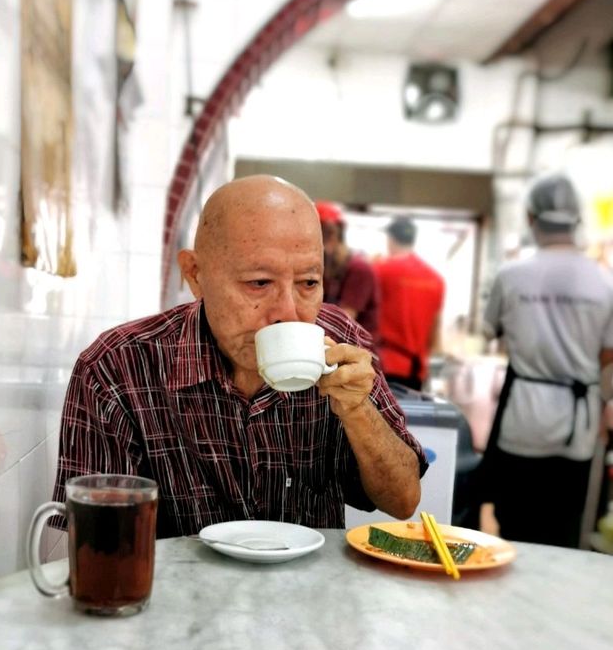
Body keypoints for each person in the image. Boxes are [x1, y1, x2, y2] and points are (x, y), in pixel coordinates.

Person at [52, 175, 427, 537]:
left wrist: (358, 410)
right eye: (259, 283)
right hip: (178, 597)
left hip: (308, 596)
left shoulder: (340, 342)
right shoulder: (116, 369)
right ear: (195, 274)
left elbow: (402, 501)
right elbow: (94, 542)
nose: (288, 312)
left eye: (308, 283)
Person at [478, 174, 613, 548]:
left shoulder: (511, 275)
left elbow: (488, 333)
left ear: (530, 217)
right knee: (565, 531)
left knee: (516, 530)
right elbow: (609, 362)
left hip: (524, 419)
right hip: (579, 424)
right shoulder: (604, 283)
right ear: (577, 220)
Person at [373, 216, 445, 390]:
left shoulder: (380, 270)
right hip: (416, 371)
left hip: (384, 366)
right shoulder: (436, 279)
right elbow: (434, 337)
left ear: (390, 239)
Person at [315, 200, 379, 339]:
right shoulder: (325, 270)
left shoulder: (359, 269)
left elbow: (343, 322)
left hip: (360, 351)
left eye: (329, 233)